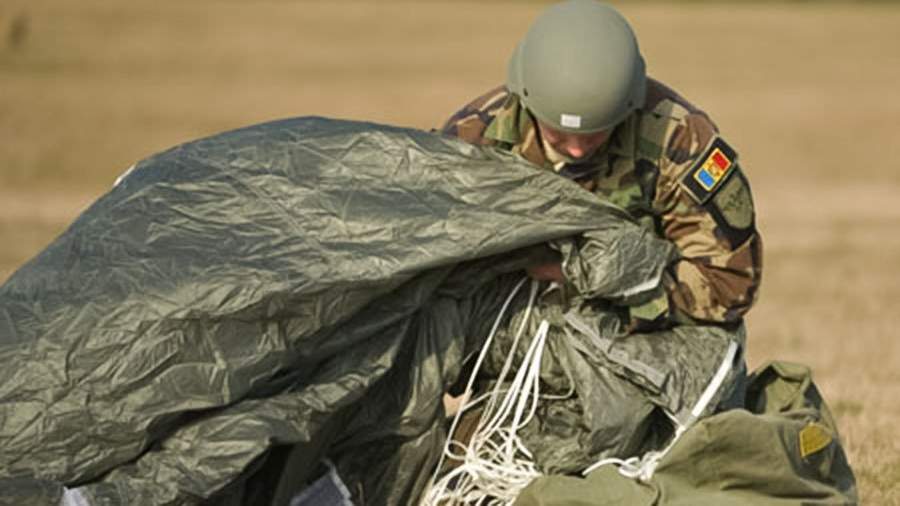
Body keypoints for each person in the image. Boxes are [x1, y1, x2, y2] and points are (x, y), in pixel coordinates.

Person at [441, 0, 762, 329]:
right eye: (558, 133)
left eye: (596, 133)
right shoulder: (474, 140)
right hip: (504, 325)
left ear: (629, 105)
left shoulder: (678, 140)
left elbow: (729, 284)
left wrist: (590, 280)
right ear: (528, 104)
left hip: (642, 334)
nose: (577, 150)